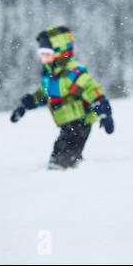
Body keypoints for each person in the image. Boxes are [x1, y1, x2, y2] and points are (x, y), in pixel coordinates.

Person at [10, 25, 114, 169]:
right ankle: (74, 169)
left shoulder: (71, 72)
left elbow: (91, 89)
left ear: (60, 52)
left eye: (47, 54)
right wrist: (25, 105)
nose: (43, 58)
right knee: (62, 155)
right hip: (67, 124)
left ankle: (67, 177)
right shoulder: (50, 75)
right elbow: (43, 95)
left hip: (80, 122)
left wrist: (104, 111)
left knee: (62, 159)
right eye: (41, 54)